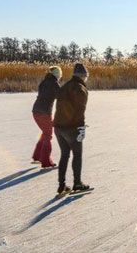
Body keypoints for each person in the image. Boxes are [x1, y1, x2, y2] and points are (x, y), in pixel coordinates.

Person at [53, 63, 91, 195]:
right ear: (83, 76)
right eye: (86, 76)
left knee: (64, 155)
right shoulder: (80, 88)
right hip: (71, 128)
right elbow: (80, 110)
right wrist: (81, 127)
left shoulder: (65, 86)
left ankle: (62, 185)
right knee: (77, 155)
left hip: (58, 127)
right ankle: (77, 183)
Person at [30, 66, 62, 169]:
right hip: (44, 113)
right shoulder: (54, 83)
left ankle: (38, 156)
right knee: (48, 135)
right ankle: (46, 161)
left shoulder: (44, 82)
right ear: (57, 75)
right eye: (60, 75)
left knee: (45, 133)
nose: (60, 77)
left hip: (36, 111)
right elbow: (61, 96)